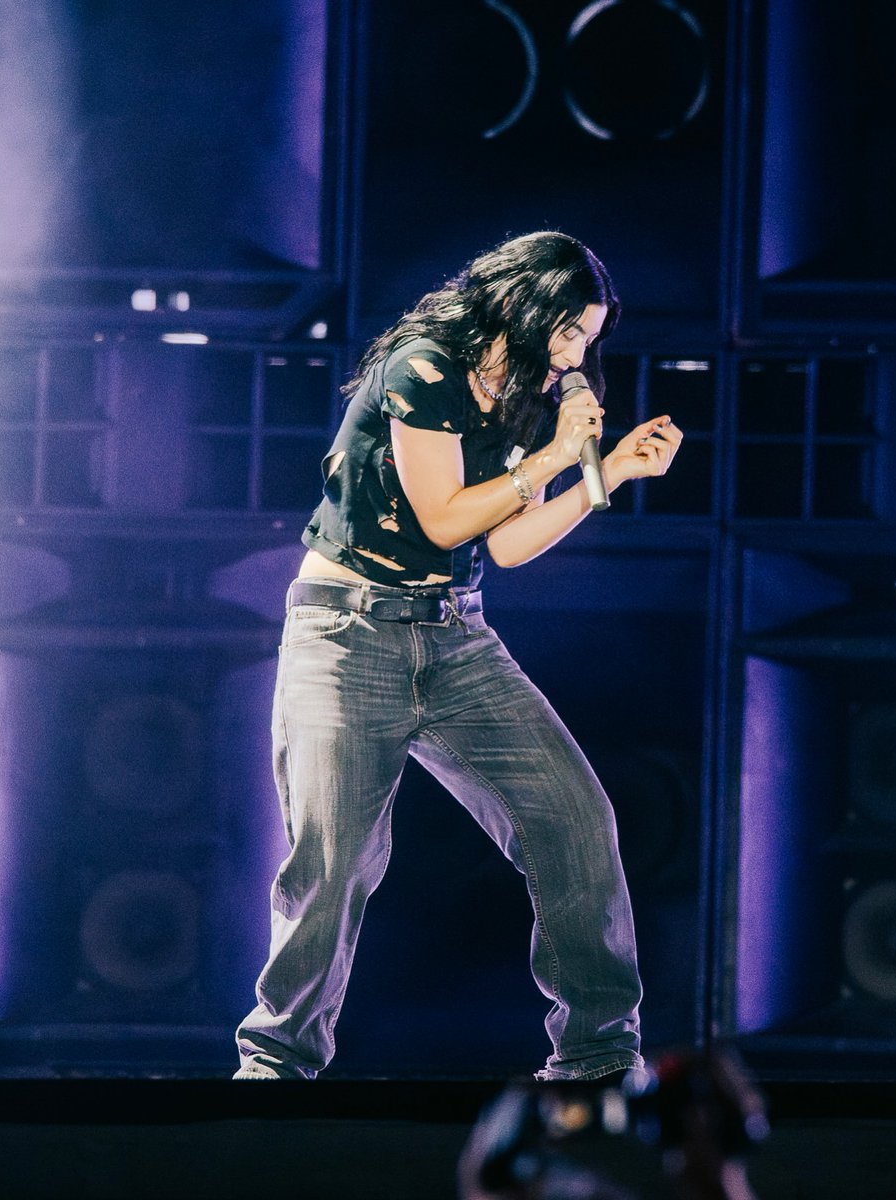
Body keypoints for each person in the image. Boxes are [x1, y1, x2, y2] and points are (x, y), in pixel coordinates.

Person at [234, 230, 683, 1082]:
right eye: (564, 331)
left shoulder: (528, 393)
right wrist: (558, 452)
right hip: (347, 632)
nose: (575, 353)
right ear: (520, 305)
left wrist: (608, 473)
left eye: (587, 337)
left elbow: (508, 545)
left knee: (575, 819)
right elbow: (443, 518)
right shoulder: (422, 366)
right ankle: (274, 1071)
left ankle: (595, 1062)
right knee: (334, 863)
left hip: (455, 636)